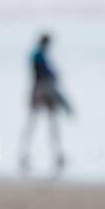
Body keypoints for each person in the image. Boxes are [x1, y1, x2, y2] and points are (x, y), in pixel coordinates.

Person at [19, 33, 73, 175]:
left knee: (39, 124)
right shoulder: (38, 55)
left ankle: (53, 154)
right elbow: (48, 74)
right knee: (42, 124)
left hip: (39, 90)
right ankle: (30, 153)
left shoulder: (37, 55)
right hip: (43, 91)